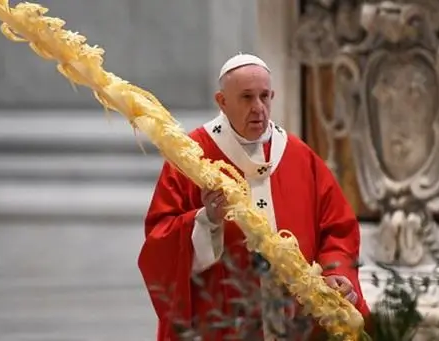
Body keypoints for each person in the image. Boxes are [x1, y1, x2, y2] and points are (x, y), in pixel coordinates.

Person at [137, 53, 370, 340]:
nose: (258, 108)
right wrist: (206, 220)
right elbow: (160, 242)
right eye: (246, 97)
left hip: (294, 322)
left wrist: (339, 274)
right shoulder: (191, 155)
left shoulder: (298, 155)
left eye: (264, 97)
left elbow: (337, 229)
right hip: (222, 321)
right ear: (222, 101)